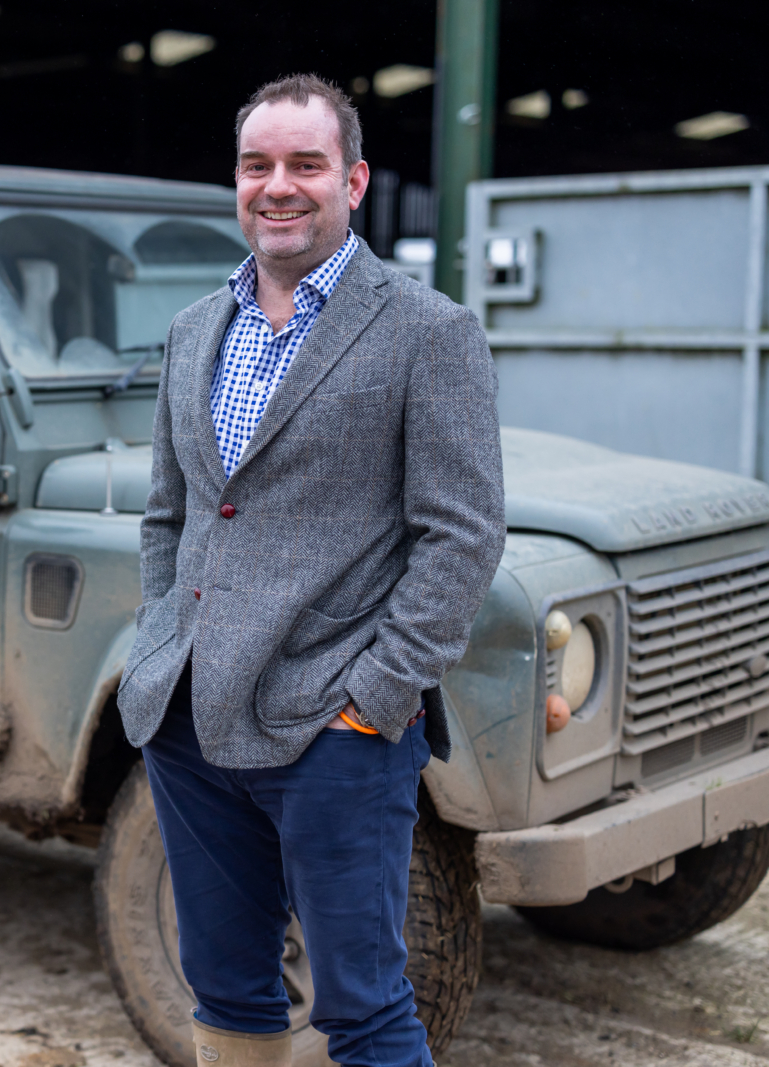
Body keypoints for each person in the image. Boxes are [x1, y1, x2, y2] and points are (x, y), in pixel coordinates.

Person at [114, 73, 507, 1067]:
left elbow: (460, 536)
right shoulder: (196, 328)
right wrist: (165, 637)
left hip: (333, 731)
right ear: (236, 180)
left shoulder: (430, 331)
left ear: (354, 179)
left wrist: (372, 699)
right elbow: (174, 511)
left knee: (364, 1007)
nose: (277, 185)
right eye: (257, 164)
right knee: (227, 987)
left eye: (305, 164)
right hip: (189, 717)